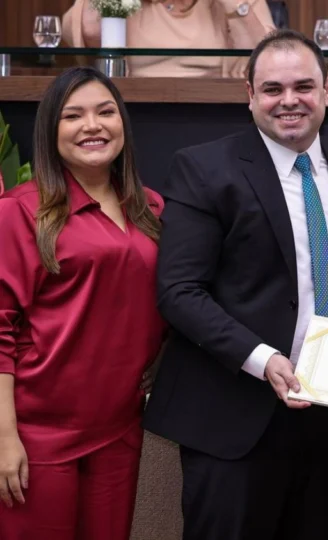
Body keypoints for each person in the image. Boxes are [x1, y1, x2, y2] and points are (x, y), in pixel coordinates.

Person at [141, 29, 328, 540]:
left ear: (327, 91)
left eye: (303, 86)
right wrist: (262, 358)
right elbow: (179, 290)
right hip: (234, 419)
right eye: (272, 88)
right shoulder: (204, 168)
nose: (289, 100)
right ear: (249, 95)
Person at [0, 66, 165, 540]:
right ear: (51, 132)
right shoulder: (20, 211)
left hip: (118, 427)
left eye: (105, 112)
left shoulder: (151, 209)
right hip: (37, 433)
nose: (92, 125)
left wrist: (161, 356)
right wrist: (4, 437)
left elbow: (174, 297)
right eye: (73, 116)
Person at [63, 0, 275, 77]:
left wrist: (237, 5)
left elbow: (266, 64)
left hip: (217, 112)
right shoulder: (129, 4)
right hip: (134, 111)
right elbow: (89, 31)